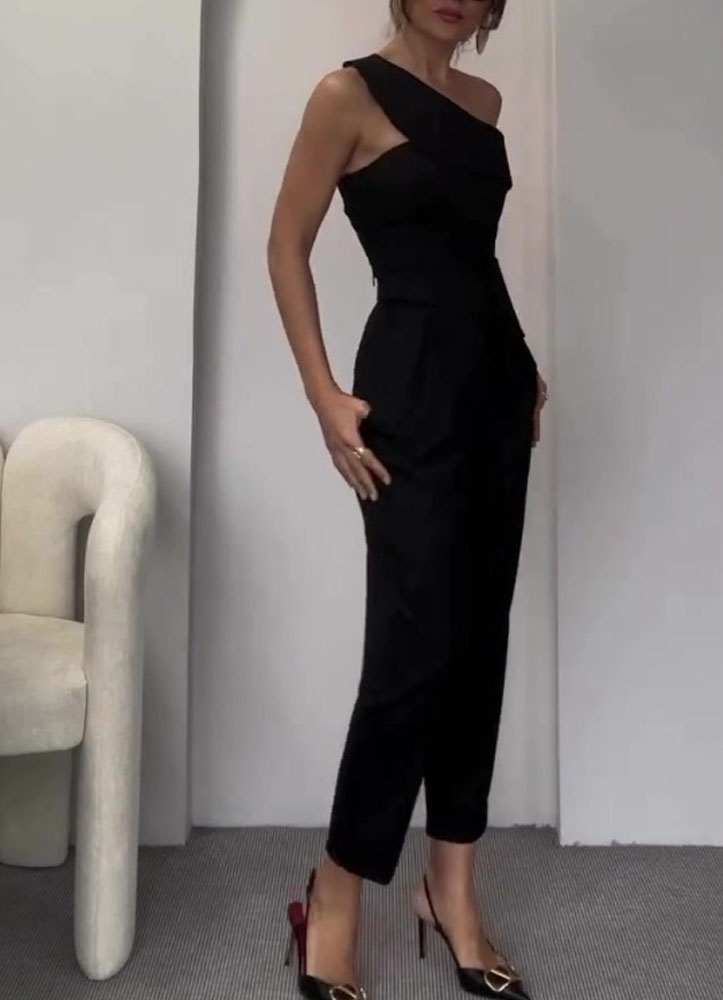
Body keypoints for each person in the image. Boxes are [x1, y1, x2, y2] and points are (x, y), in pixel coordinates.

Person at [267, 1, 548, 997]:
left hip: (493, 387)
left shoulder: (485, 101)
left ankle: (450, 891)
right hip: (408, 387)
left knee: (478, 640)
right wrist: (322, 395)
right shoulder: (345, 95)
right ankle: (338, 889)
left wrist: (524, 364)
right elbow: (286, 244)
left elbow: (474, 259)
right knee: (410, 648)